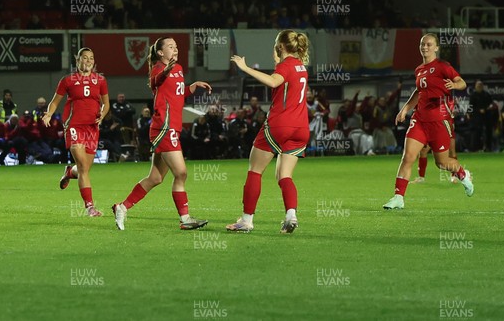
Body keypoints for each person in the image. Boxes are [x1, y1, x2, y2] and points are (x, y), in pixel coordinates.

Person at [111, 37, 212, 230]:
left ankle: (122, 207)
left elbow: (177, 95)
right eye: (170, 47)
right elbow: (156, 80)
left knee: (155, 178)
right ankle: (185, 219)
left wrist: (193, 86)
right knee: (181, 173)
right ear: (160, 53)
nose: (175, 49)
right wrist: (165, 71)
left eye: (176, 46)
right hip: (164, 128)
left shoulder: (179, 69)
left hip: (172, 127)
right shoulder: (158, 68)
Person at [226, 30, 310, 233]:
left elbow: (274, 81)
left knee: (255, 171)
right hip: (301, 128)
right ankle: (291, 216)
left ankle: (246, 221)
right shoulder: (301, 67)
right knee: (284, 175)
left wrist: (245, 68)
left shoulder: (286, 65)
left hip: (280, 125)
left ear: (281, 46)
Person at [383, 34, 474, 210]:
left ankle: (463, 174)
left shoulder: (442, 66)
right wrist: (405, 109)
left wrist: (454, 86)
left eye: (429, 44)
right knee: (408, 156)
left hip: (439, 121)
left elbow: (461, 82)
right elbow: (419, 92)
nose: (425, 47)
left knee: (442, 163)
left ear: (436, 48)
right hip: (420, 120)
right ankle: (398, 197)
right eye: (422, 44)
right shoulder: (419, 70)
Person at [42, 47, 110, 217]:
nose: (88, 61)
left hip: (92, 128)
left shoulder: (100, 80)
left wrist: (102, 115)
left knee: (84, 168)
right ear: (78, 60)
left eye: (91, 58)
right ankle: (90, 207)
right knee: (82, 166)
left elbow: (106, 103)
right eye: (84, 58)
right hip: (74, 126)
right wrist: (49, 114)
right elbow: (55, 101)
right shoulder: (67, 80)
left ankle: (69, 172)